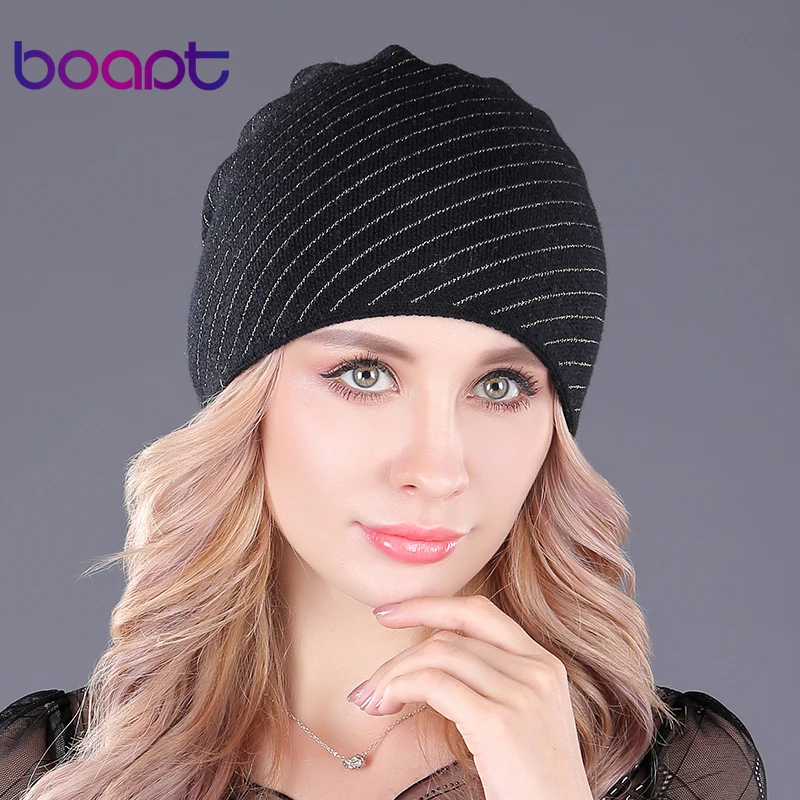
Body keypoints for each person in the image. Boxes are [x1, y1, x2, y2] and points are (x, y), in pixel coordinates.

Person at [0, 43, 767, 800]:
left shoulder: (677, 775)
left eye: (499, 386)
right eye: (366, 375)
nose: (436, 469)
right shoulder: (45, 771)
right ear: (246, 403)